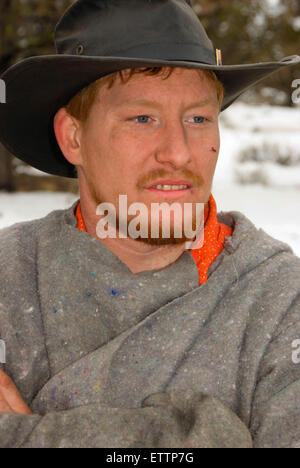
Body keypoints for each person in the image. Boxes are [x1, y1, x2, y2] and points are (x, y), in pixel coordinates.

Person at [0, 0, 299, 449]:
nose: (179, 153)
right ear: (73, 137)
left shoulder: (280, 301)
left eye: (198, 119)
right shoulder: (9, 276)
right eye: (143, 118)